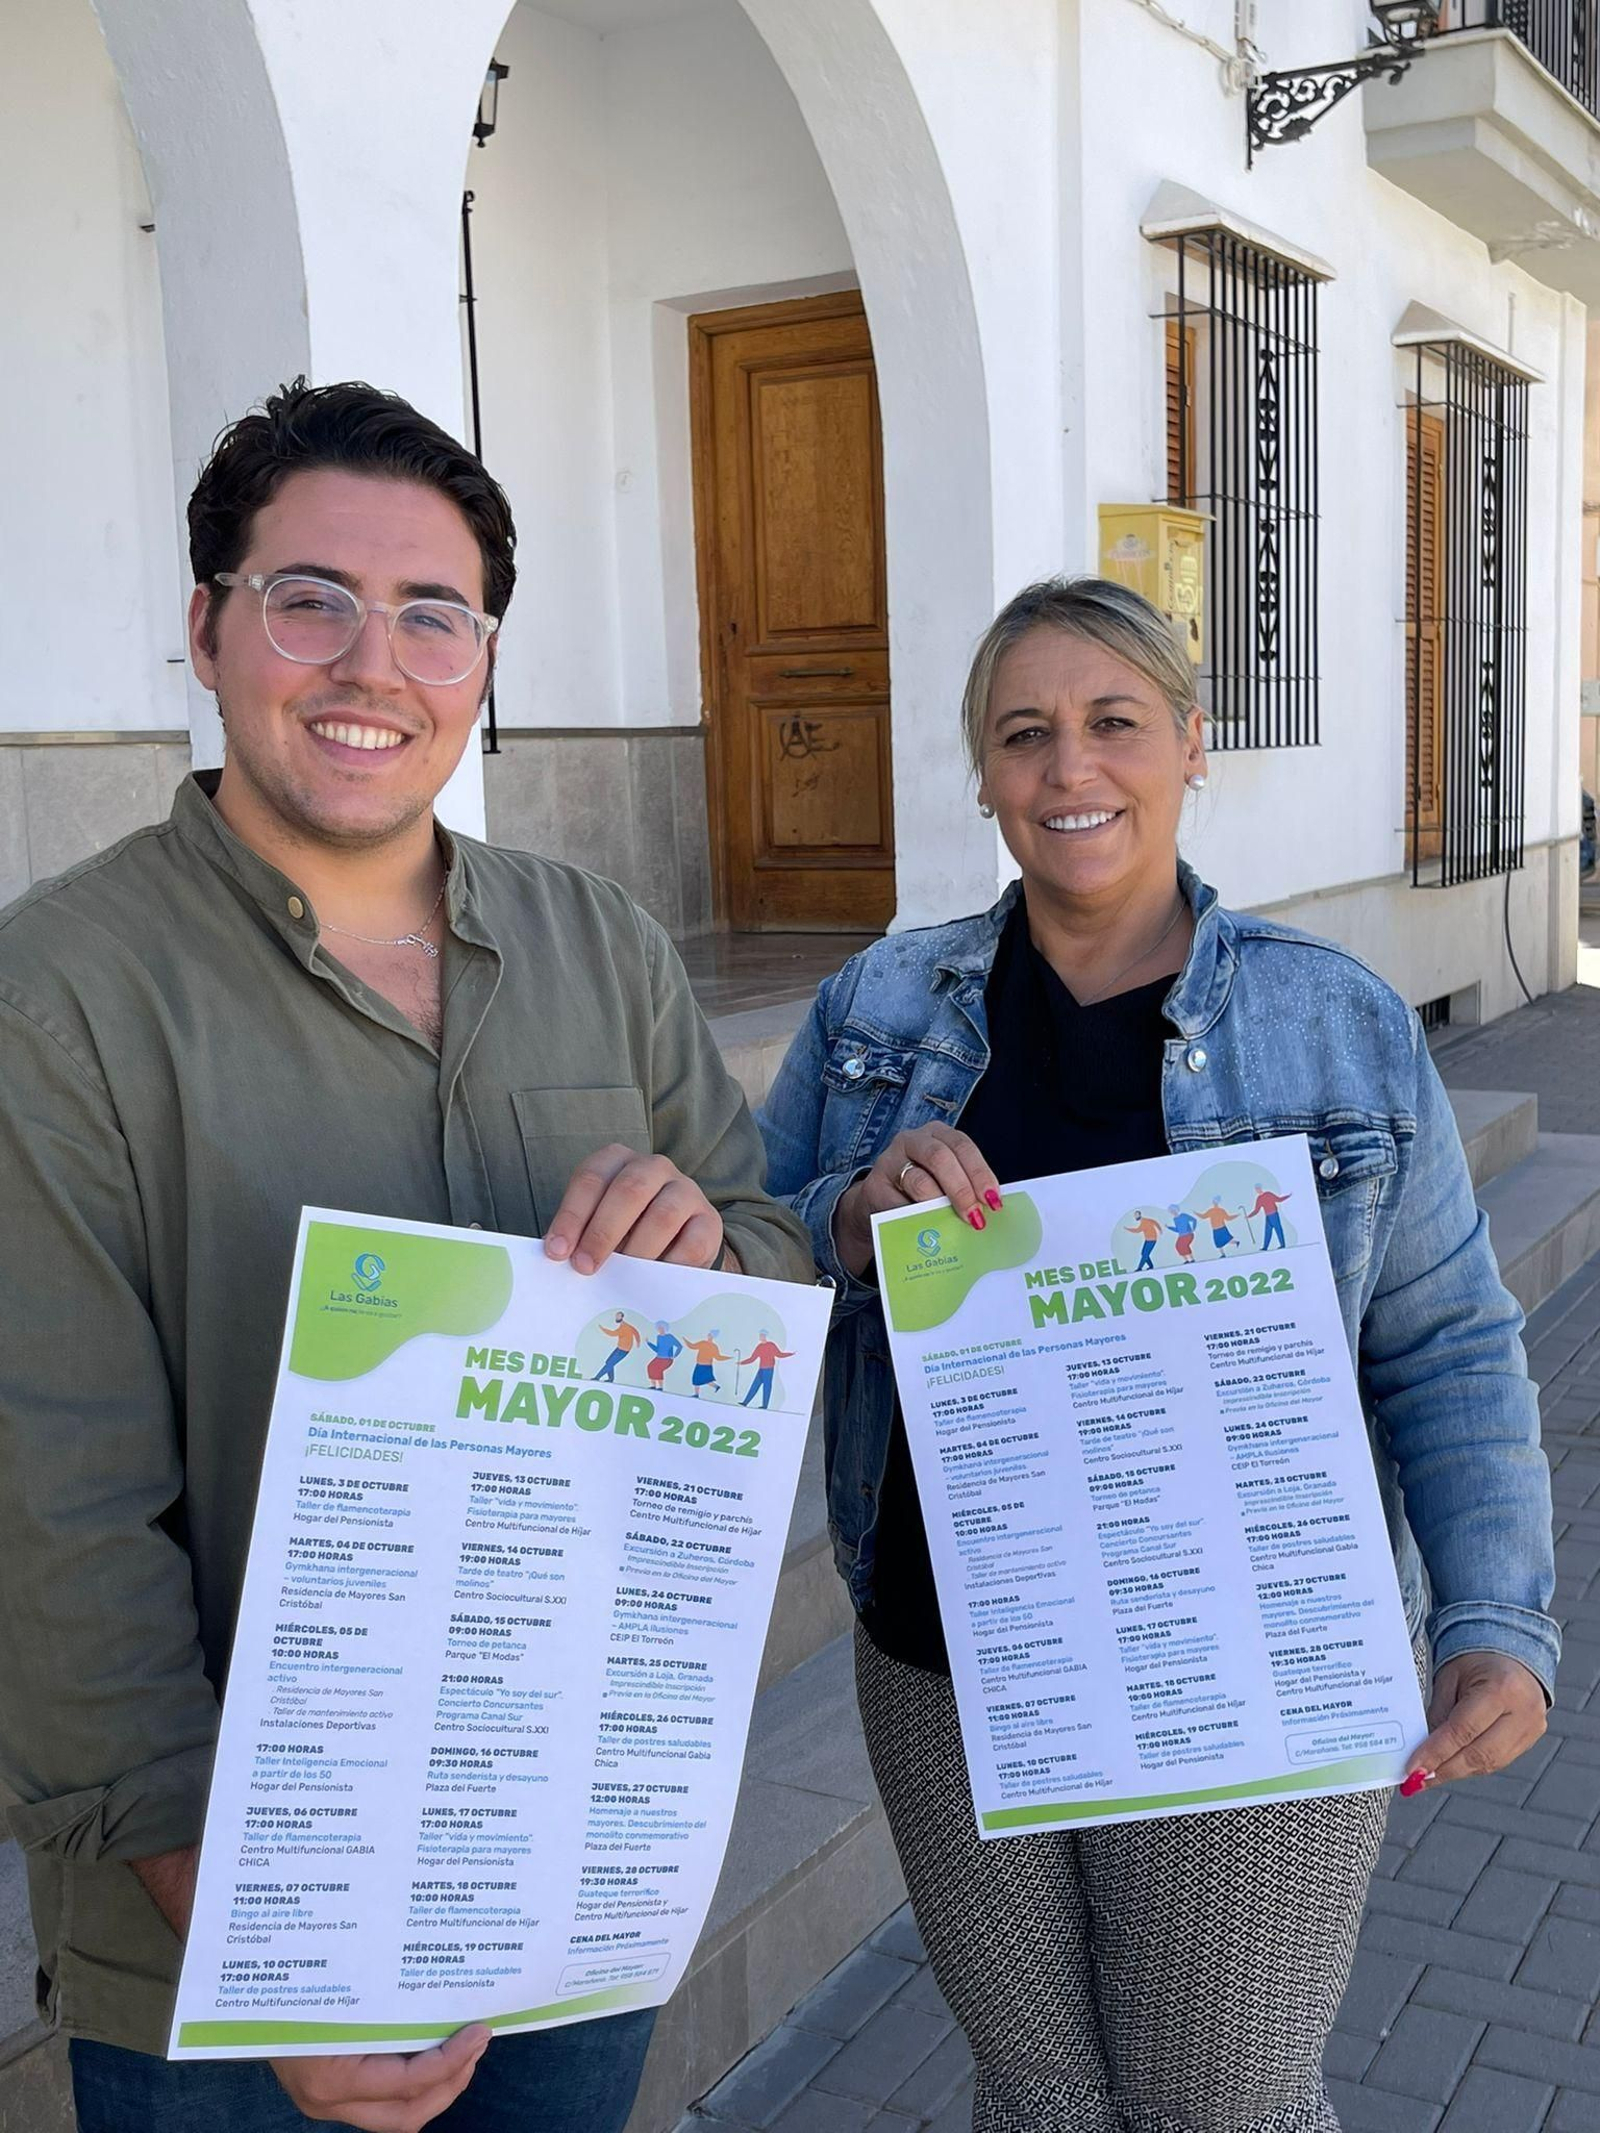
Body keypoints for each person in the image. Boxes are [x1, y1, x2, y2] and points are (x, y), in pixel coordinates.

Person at [0, 379, 811, 2133]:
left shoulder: (598, 939)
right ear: (206, 629)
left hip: (565, 1860)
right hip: (220, 1939)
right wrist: (267, 1943)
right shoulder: (54, 996)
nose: (375, 663)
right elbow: (52, 1520)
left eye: (433, 616)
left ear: (485, 662)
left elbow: (762, 1252)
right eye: (312, 600)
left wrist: (708, 1248)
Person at [757, 574, 1557, 2133]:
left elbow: (1448, 1341)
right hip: (950, 1653)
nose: (1072, 770)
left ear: (1193, 745)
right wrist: (847, 1215)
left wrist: (1494, 1616)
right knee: (1041, 2099)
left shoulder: (1334, 1022)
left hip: (1248, 1663)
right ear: (982, 772)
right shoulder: (878, 1006)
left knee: (1223, 2102)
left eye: (1115, 723)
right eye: (1025, 734)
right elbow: (747, 1263)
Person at [738, 1331, 794, 1410]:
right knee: (755, 1385)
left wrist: (790, 1354)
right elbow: (752, 1358)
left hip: (769, 1369)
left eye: (761, 1336)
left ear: (765, 1336)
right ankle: (745, 1402)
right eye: (760, 1336)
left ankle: (765, 1405)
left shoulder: (771, 1345)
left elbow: (779, 1354)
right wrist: (742, 1363)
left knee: (767, 1387)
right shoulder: (759, 1347)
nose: (760, 1337)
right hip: (761, 1369)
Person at [595, 1311, 643, 1382]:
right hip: (619, 1348)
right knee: (608, 1362)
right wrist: (638, 1341)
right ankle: (611, 1379)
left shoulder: (625, 1327)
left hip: (624, 1350)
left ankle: (597, 1377)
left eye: (618, 1316)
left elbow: (612, 1333)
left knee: (610, 1363)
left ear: (622, 1317)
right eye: (616, 1316)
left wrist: (603, 1329)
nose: (616, 1317)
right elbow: (635, 1332)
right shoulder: (624, 1325)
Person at [685, 1330, 732, 1397]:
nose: (708, 1335)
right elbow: (692, 1346)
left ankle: (697, 1394)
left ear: (712, 1336)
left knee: (699, 1379)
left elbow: (718, 1357)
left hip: (705, 1366)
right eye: (709, 1334)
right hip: (701, 1365)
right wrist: (685, 1340)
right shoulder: (703, 1343)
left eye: (710, 1334)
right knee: (703, 1379)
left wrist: (728, 1358)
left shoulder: (712, 1346)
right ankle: (716, 1387)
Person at [1252, 1182, 1292, 1250]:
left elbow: (1279, 1199)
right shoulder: (1259, 1198)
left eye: (1257, 1189)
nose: (1257, 1190)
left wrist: (1288, 1196)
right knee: (1267, 1231)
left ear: (1260, 1188)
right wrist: (1249, 1216)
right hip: (1268, 1216)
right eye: (1256, 1189)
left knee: (1278, 1229)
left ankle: (1282, 1244)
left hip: (1274, 1215)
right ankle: (1265, 1247)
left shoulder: (1268, 1194)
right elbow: (1256, 1210)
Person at [646, 1322, 685, 1389]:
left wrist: (674, 1355)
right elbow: (657, 1349)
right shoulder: (658, 1337)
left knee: (658, 1369)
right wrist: (649, 1343)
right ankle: (653, 1385)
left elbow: (679, 1346)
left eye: (661, 1328)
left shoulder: (669, 1336)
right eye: (659, 1328)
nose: (660, 1330)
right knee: (650, 1367)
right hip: (658, 1358)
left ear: (665, 1328)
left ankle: (660, 1387)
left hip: (667, 1359)